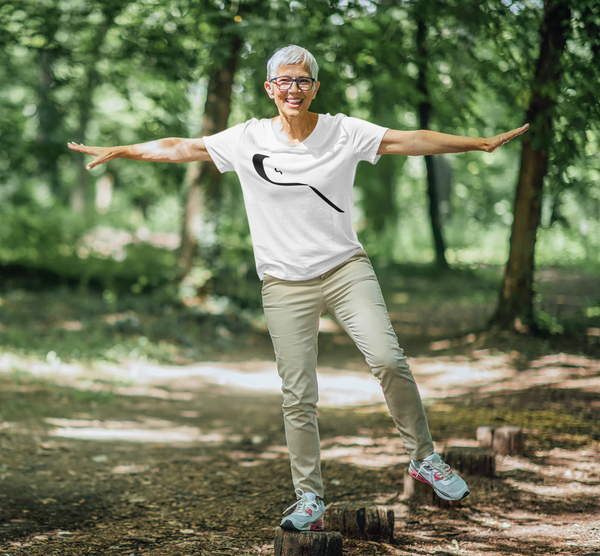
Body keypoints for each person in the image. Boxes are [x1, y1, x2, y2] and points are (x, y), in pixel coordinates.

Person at [69, 45, 528, 533]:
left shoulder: (343, 131)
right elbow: (183, 147)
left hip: (344, 268)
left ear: (314, 88)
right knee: (298, 394)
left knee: (389, 361)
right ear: (270, 88)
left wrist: (476, 144)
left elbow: (408, 139)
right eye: (284, 81)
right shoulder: (248, 138)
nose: (293, 89)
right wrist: (122, 150)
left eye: (303, 81)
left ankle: (423, 458)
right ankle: (309, 496)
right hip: (284, 282)